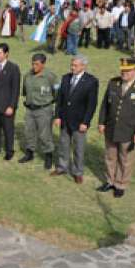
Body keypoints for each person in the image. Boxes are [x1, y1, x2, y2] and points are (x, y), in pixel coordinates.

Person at [97, 58, 135, 198]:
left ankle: (120, 184)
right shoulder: (113, 83)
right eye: (122, 70)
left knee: (126, 159)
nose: (124, 73)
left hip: (130, 131)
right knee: (110, 156)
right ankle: (110, 181)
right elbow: (105, 104)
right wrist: (101, 122)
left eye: (127, 71)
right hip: (111, 128)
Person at [51, 55, 99, 184]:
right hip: (65, 119)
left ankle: (78, 172)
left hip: (79, 122)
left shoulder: (91, 81)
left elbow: (91, 105)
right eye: (72, 65)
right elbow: (59, 99)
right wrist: (57, 116)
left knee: (78, 148)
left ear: (83, 66)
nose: (72, 67)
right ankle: (62, 167)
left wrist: (86, 122)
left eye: (75, 65)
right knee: (63, 145)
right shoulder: (66, 78)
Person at [19, 54, 60, 169]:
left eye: (37, 64)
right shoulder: (27, 75)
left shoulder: (50, 77)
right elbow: (25, 91)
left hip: (44, 110)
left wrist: (48, 103)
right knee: (28, 132)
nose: (34, 66)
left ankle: (48, 156)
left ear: (43, 64)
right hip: (30, 109)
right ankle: (29, 153)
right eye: (32, 63)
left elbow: (57, 93)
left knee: (44, 135)